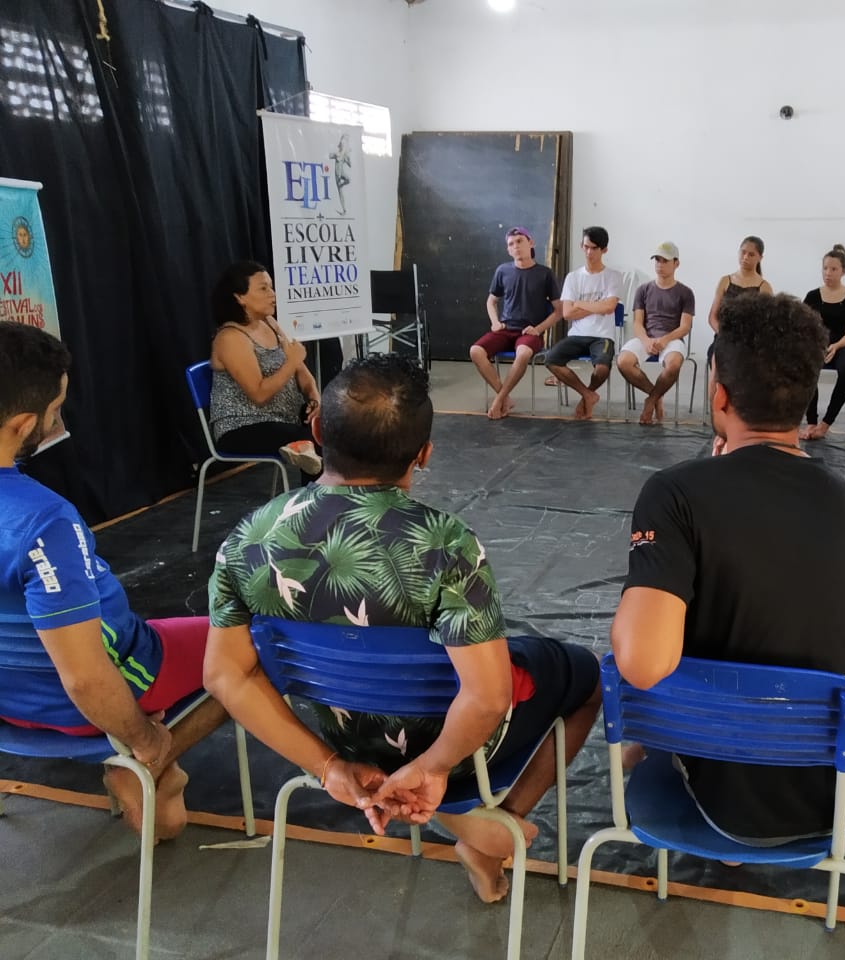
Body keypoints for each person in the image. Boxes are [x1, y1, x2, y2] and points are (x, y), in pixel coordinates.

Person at [204, 353, 601, 903]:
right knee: (586, 677)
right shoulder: (446, 543)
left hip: (343, 739)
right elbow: (488, 698)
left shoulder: (246, 537)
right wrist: (433, 768)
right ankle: (495, 825)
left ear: (317, 431)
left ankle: (472, 824)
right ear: (424, 453)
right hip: (456, 754)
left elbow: (225, 676)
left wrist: (328, 766)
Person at [611, 292, 845, 846]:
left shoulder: (675, 493)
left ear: (718, 393)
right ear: (807, 395)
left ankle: (723, 837)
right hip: (839, 788)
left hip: (731, 797)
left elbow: (642, 665)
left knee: (632, 671)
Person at [0, 323, 227, 840]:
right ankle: (151, 766)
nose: (59, 422)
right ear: (23, 424)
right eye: (56, 410)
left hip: (8, 700)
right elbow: (84, 677)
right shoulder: (44, 522)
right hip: (89, 696)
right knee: (255, 644)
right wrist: (144, 740)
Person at [208, 261, 323, 479]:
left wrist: (315, 401)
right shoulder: (230, 337)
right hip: (243, 426)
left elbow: (303, 375)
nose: (272, 294)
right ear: (239, 298)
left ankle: (332, 494)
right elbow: (259, 395)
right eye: (263, 288)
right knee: (311, 440)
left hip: (285, 418)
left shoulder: (270, 322)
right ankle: (316, 499)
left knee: (333, 428)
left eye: (271, 287)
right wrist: (291, 362)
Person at [469, 227, 563, 420]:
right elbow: (491, 301)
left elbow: (559, 311)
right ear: (508, 250)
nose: (516, 246)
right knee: (475, 351)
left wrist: (538, 329)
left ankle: (498, 400)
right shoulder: (503, 271)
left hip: (529, 333)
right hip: (505, 329)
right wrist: (495, 322)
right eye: (511, 244)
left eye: (520, 241)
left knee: (523, 354)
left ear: (531, 243)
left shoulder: (545, 273)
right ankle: (504, 397)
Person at [543, 226, 623, 420]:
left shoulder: (613, 276)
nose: (589, 252)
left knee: (602, 368)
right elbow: (567, 313)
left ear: (604, 250)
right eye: (586, 247)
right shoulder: (573, 277)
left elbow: (609, 307)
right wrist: (597, 306)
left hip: (602, 336)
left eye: (594, 248)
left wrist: (579, 303)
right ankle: (587, 395)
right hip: (577, 335)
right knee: (551, 359)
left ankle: (586, 397)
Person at [617, 242, 695, 426]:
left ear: (676, 263)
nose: (660, 264)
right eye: (657, 260)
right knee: (623, 361)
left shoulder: (685, 293)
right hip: (647, 336)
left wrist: (664, 340)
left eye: (665, 261)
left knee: (673, 365)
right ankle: (656, 395)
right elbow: (637, 322)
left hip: (672, 338)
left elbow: (685, 327)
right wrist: (646, 340)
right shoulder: (643, 290)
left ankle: (650, 401)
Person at [800, 243, 845, 440]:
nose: (828, 273)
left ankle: (826, 423)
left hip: (840, 346)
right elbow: (803, 326)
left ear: (843, 271)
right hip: (816, 345)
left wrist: (836, 345)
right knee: (806, 366)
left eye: (833, 269)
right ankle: (811, 421)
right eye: (825, 268)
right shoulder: (812, 296)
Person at [706, 235, 773, 337]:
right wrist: (725, 336)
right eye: (743, 252)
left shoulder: (764, 287)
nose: (745, 257)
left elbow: (767, 322)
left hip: (750, 341)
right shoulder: (725, 281)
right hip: (723, 337)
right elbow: (712, 317)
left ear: (760, 258)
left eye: (751, 254)